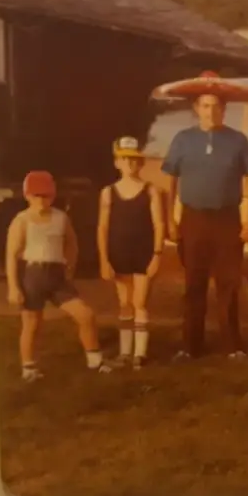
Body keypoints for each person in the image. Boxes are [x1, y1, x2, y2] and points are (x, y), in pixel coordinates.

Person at [156, 71, 248, 360]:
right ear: (195, 108)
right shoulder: (182, 140)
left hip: (227, 219)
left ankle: (233, 345)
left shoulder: (238, 141)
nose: (210, 111)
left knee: (228, 283)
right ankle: (191, 345)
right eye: (205, 105)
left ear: (224, 109)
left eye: (216, 106)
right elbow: (170, 180)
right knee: (194, 282)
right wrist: (169, 219)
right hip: (193, 219)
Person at [5, 170, 113, 381]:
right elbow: (11, 254)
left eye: (46, 196)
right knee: (32, 323)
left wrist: (69, 268)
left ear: (53, 196)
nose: (42, 201)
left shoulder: (60, 217)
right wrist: (13, 286)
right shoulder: (22, 220)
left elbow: (71, 244)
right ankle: (28, 367)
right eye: (36, 196)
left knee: (85, 314)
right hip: (32, 274)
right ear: (27, 195)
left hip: (57, 275)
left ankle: (95, 359)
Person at [96, 136, 165, 370]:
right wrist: (104, 259)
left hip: (143, 252)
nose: (130, 164)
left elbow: (159, 225)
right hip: (119, 252)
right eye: (125, 159)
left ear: (141, 163)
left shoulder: (150, 191)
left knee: (140, 301)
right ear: (117, 162)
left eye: (135, 160)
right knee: (124, 302)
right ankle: (125, 351)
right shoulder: (108, 192)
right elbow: (103, 227)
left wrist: (157, 254)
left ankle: (140, 354)